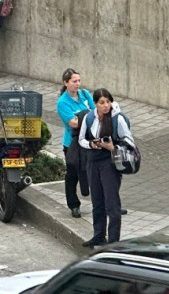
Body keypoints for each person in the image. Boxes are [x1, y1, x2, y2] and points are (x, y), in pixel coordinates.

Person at [79, 88, 134, 247]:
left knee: (112, 204)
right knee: (97, 201)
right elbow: (81, 139)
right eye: (102, 103)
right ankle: (98, 235)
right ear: (95, 104)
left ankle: (113, 242)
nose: (106, 106)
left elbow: (129, 142)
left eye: (108, 102)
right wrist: (91, 144)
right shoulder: (89, 118)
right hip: (93, 161)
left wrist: (111, 147)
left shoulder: (118, 119)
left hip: (110, 162)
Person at [57, 68, 95, 219]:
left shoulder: (85, 94)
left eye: (79, 80)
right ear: (66, 83)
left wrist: (84, 117)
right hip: (72, 144)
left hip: (88, 140)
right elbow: (73, 123)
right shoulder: (62, 102)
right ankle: (74, 205)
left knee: (96, 172)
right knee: (73, 174)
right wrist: (87, 116)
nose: (77, 84)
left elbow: (95, 111)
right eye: (74, 81)